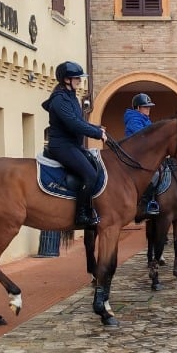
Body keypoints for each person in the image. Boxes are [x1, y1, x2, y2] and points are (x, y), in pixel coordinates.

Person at [42, 61, 106, 229]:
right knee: (90, 175)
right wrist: (97, 133)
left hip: (73, 145)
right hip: (62, 145)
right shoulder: (59, 100)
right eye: (76, 78)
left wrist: (97, 128)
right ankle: (81, 215)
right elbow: (73, 124)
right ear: (66, 80)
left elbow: (79, 121)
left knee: (96, 167)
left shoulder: (72, 97)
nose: (79, 80)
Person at [124, 93, 160, 215]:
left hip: (144, 154)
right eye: (145, 107)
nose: (148, 109)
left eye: (149, 106)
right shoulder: (134, 120)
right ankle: (146, 203)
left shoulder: (145, 119)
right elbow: (144, 138)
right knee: (153, 175)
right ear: (137, 108)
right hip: (135, 154)